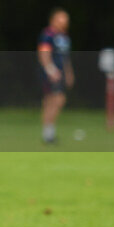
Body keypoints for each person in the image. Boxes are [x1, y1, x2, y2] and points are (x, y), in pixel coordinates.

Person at [37, 8, 73, 144]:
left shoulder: (64, 36)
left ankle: (49, 134)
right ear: (53, 19)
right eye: (61, 18)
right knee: (55, 101)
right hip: (51, 74)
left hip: (61, 74)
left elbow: (66, 58)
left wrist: (69, 73)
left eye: (66, 19)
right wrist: (51, 70)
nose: (64, 21)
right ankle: (48, 134)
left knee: (53, 102)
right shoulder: (48, 35)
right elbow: (43, 54)